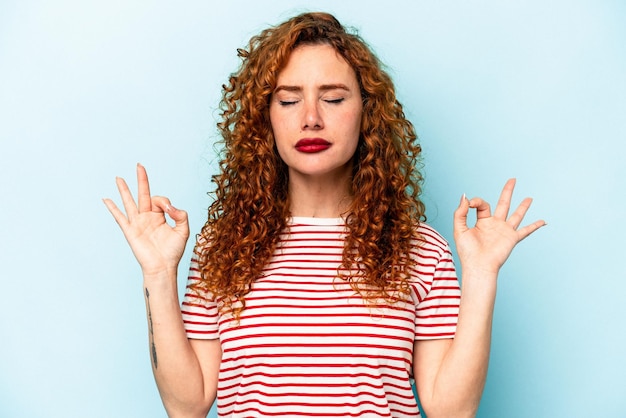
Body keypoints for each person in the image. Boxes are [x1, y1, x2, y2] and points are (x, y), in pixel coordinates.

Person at [103, 11, 545, 418]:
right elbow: (188, 404)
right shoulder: (223, 245)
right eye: (289, 100)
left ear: (366, 114)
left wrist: (483, 273)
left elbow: (452, 409)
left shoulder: (421, 249)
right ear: (266, 118)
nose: (311, 118)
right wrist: (158, 274)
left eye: (333, 99)